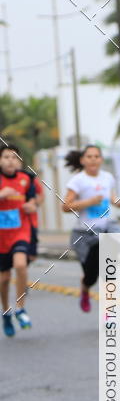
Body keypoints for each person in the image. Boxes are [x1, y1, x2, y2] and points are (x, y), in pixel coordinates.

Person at [62, 145, 120, 312]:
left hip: (106, 230)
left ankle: (110, 312)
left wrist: (119, 202)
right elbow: (65, 206)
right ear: (82, 160)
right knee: (91, 276)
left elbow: (110, 197)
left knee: (109, 272)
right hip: (85, 234)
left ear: (101, 160)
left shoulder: (108, 177)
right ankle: (85, 290)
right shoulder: (78, 181)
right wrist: (89, 202)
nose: (93, 159)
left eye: (96, 156)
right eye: (89, 156)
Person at [0, 144, 38, 336]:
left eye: (14, 157)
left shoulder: (26, 179)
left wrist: (32, 205)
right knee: (4, 279)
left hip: (20, 231)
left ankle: (20, 308)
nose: (10, 161)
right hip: (1, 237)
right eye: (6, 157)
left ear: (20, 162)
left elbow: (34, 199)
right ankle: (6, 312)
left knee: (21, 265)